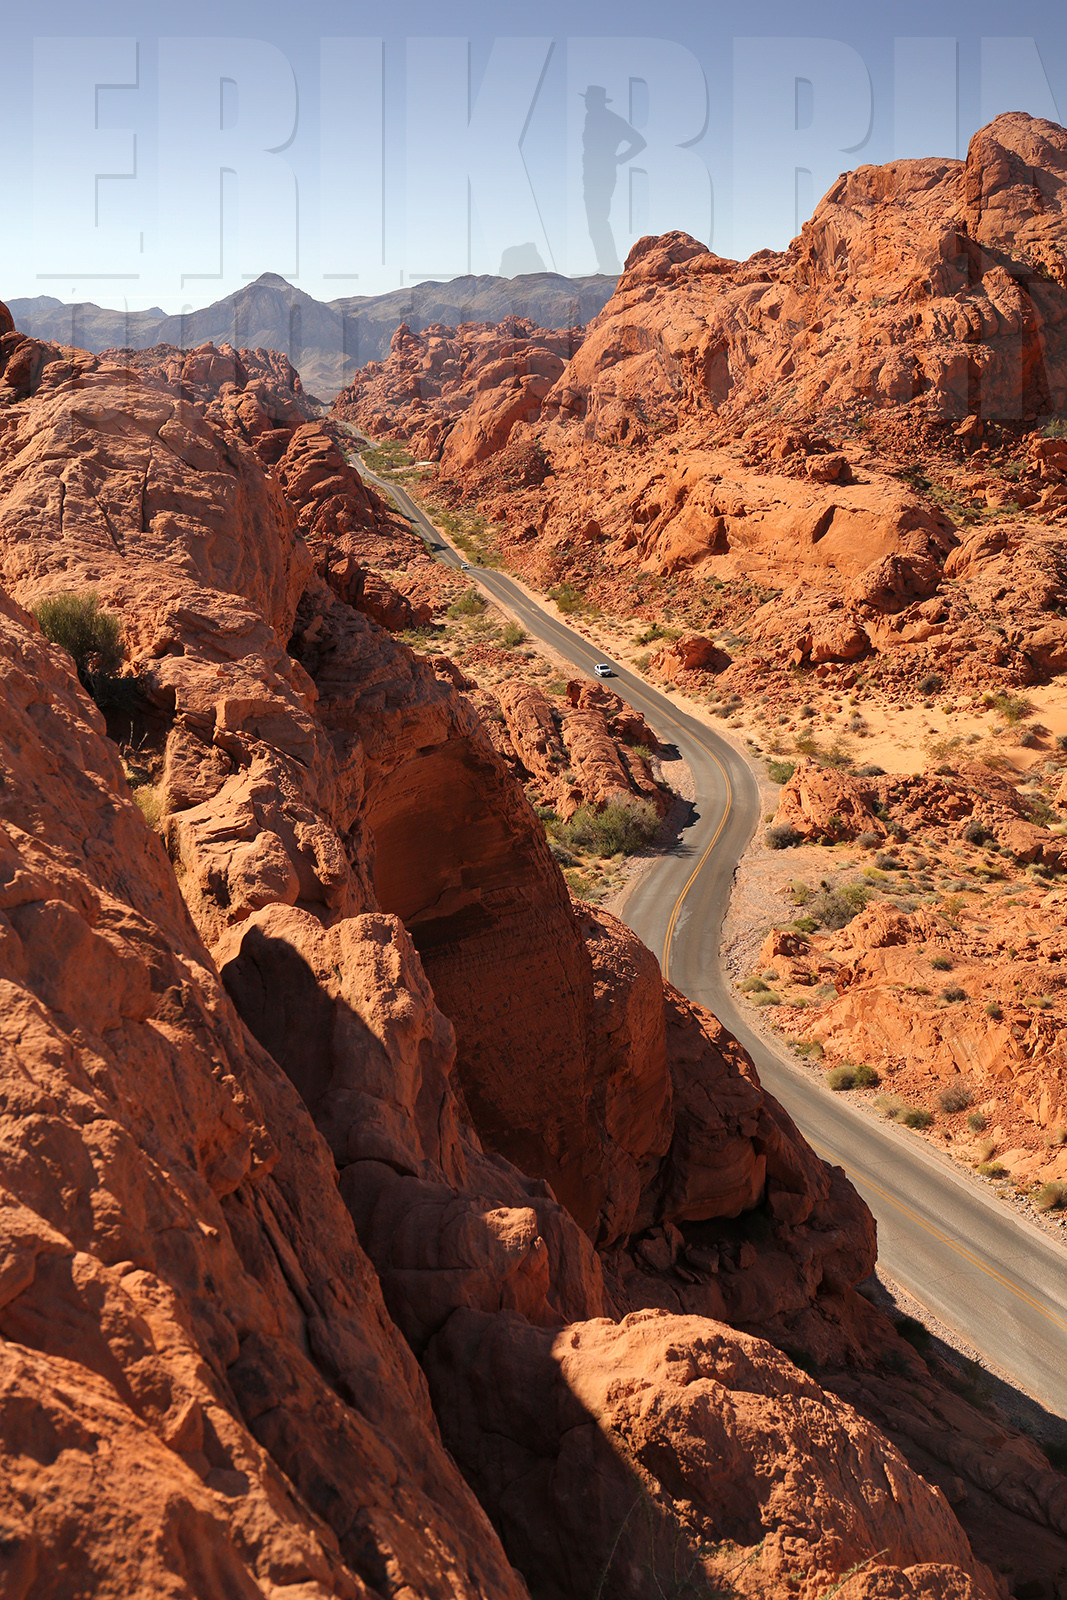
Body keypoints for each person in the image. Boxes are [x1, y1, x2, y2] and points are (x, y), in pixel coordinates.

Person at [581, 85, 647, 275]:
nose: (586, 103)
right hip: (592, 174)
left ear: (596, 102)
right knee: (595, 221)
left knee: (598, 220)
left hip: (602, 175)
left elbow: (639, 142)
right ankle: (607, 265)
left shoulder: (612, 120)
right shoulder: (590, 118)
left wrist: (619, 158)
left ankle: (609, 266)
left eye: (589, 100)